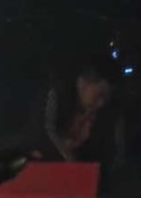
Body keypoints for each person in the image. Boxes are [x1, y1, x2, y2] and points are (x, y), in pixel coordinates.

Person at [24, 52, 125, 187]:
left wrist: (94, 176)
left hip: (86, 183)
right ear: (82, 83)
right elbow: (41, 134)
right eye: (99, 95)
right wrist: (70, 161)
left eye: (106, 98)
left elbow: (113, 153)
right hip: (45, 174)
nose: (101, 103)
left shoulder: (109, 112)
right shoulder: (56, 96)